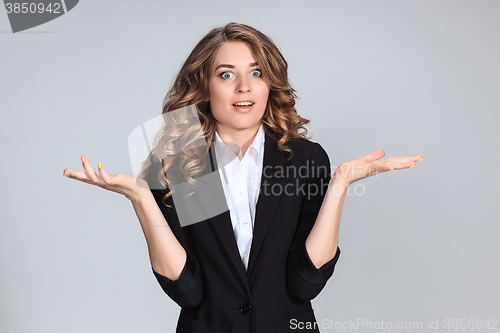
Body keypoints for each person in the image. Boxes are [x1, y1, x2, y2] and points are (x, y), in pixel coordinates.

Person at [63, 22, 423, 333]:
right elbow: (189, 292)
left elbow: (305, 283)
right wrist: (142, 200)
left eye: (256, 72)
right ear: (204, 86)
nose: (243, 87)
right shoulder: (179, 167)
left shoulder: (304, 160)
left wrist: (339, 184)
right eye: (226, 74)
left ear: (270, 83)